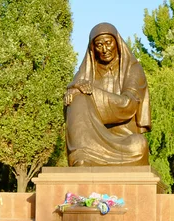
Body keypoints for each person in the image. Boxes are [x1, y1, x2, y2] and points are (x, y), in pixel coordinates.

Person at [64, 22, 151, 167]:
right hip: (90, 139)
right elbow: (74, 96)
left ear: (117, 43)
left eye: (108, 43)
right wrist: (74, 90)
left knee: (139, 144)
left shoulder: (133, 69)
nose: (104, 49)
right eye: (99, 45)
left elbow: (128, 105)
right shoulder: (86, 72)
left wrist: (91, 93)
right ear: (93, 49)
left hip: (123, 139)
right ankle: (82, 156)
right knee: (75, 98)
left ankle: (91, 158)